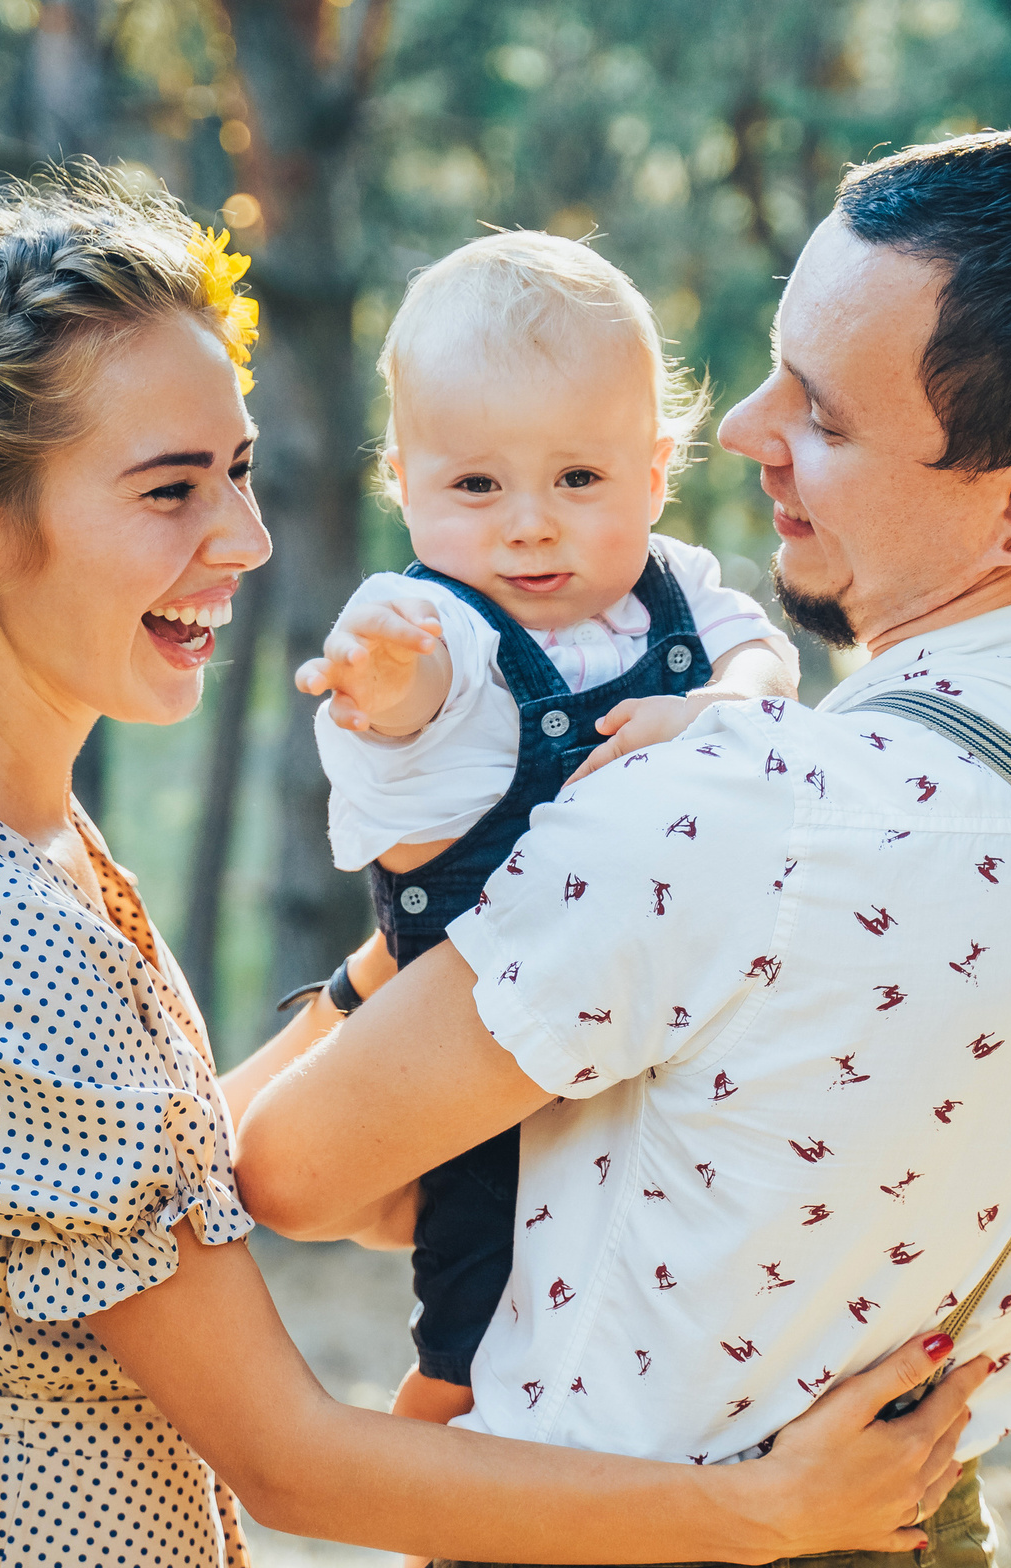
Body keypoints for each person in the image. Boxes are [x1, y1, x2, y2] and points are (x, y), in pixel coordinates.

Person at [0, 168, 986, 1568]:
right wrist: (754, 1508)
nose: (240, 534)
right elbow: (288, 1455)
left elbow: (148, 1194)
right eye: (169, 488)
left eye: (236, 470)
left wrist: (407, 967)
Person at [236, 131, 1011, 1568]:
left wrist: (420, 935)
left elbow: (296, 1167)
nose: (742, 434)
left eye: (822, 408)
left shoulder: (736, 809)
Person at [291, 231, 798, 1451]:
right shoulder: (427, 622)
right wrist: (385, 689)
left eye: (578, 480)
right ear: (401, 479)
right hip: (475, 1032)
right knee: (476, 1309)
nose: (528, 528)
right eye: (476, 488)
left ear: (656, 469)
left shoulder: (677, 593)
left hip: (650, 1032)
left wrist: (724, 702)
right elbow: (420, 706)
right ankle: (433, 1508)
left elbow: (759, 655)